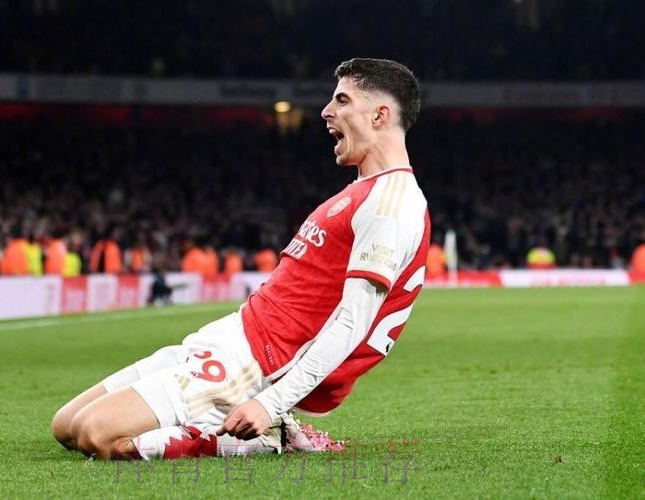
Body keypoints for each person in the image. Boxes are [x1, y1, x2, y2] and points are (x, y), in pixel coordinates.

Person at [51, 58, 430, 461]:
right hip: (232, 334)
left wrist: (270, 403)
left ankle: (270, 436)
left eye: (342, 100)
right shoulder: (362, 191)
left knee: (97, 434)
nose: (326, 111)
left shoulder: (392, 203)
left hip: (256, 364)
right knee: (66, 425)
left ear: (379, 115)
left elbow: (353, 323)